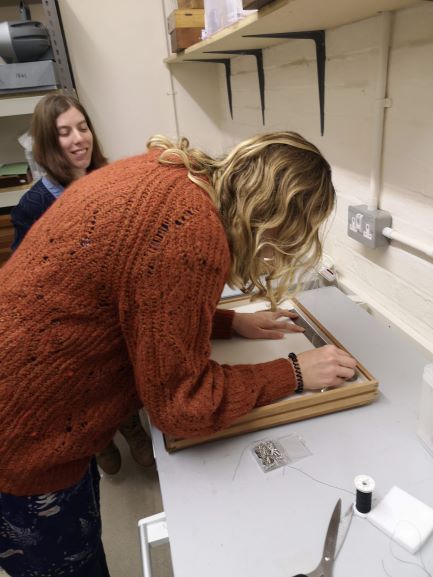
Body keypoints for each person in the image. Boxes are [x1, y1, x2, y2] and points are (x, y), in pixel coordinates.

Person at [0, 131, 357, 576]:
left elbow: (140, 303)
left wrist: (226, 322)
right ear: (275, 220)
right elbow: (182, 406)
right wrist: (294, 371)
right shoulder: (192, 230)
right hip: (23, 440)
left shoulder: (169, 173)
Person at [9, 93, 154, 476]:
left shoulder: (110, 181)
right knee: (84, 390)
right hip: (66, 324)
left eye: (82, 127)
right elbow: (24, 281)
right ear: (46, 143)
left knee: (119, 382)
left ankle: (133, 430)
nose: (78, 140)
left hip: (112, 311)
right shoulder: (34, 205)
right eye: (63, 133)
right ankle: (99, 442)